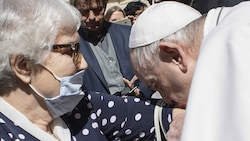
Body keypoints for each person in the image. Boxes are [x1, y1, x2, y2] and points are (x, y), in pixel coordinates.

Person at [0, 0, 185, 140]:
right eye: (71, 51)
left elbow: (160, 118)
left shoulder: (81, 106)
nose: (83, 64)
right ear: (23, 66)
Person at [129, 1, 250, 140]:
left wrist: (195, 132)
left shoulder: (237, 41)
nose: (167, 100)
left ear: (175, 56)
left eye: (158, 85)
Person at [71, 0, 154, 98]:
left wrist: (141, 90)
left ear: (104, 7)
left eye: (97, 10)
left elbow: (153, 69)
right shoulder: (71, 46)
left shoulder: (128, 33)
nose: (92, 17)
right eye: (84, 11)